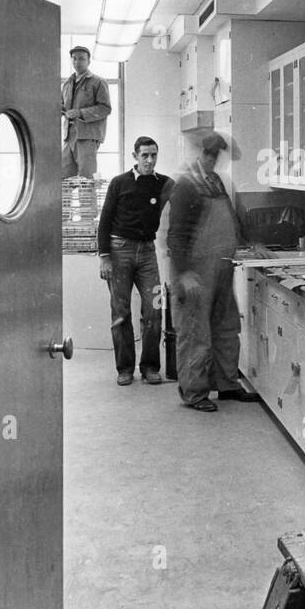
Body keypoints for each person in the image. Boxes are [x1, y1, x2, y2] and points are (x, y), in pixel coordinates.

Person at [167, 131, 257, 411]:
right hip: (195, 274)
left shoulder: (215, 182)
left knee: (226, 328)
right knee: (196, 335)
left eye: (216, 155)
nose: (211, 160)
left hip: (222, 268)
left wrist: (251, 244)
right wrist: (183, 273)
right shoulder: (186, 185)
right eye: (208, 154)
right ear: (199, 154)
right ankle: (194, 393)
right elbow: (175, 236)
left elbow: (231, 219)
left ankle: (227, 385)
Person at [97, 137, 172, 386]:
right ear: (135, 156)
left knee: (154, 308)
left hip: (148, 252)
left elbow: (184, 199)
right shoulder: (120, 183)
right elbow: (105, 221)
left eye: (153, 155)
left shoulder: (163, 184)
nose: (150, 161)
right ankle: (125, 369)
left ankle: (150, 366)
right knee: (120, 313)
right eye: (145, 156)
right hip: (120, 251)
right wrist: (105, 257)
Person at [60, 45, 112, 178]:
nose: (77, 62)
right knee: (64, 179)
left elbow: (105, 108)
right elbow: (62, 106)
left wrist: (80, 112)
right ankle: (63, 200)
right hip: (68, 137)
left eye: (82, 59)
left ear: (89, 61)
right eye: (74, 59)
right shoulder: (66, 84)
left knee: (87, 180)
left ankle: (88, 200)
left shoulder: (98, 82)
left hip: (87, 136)